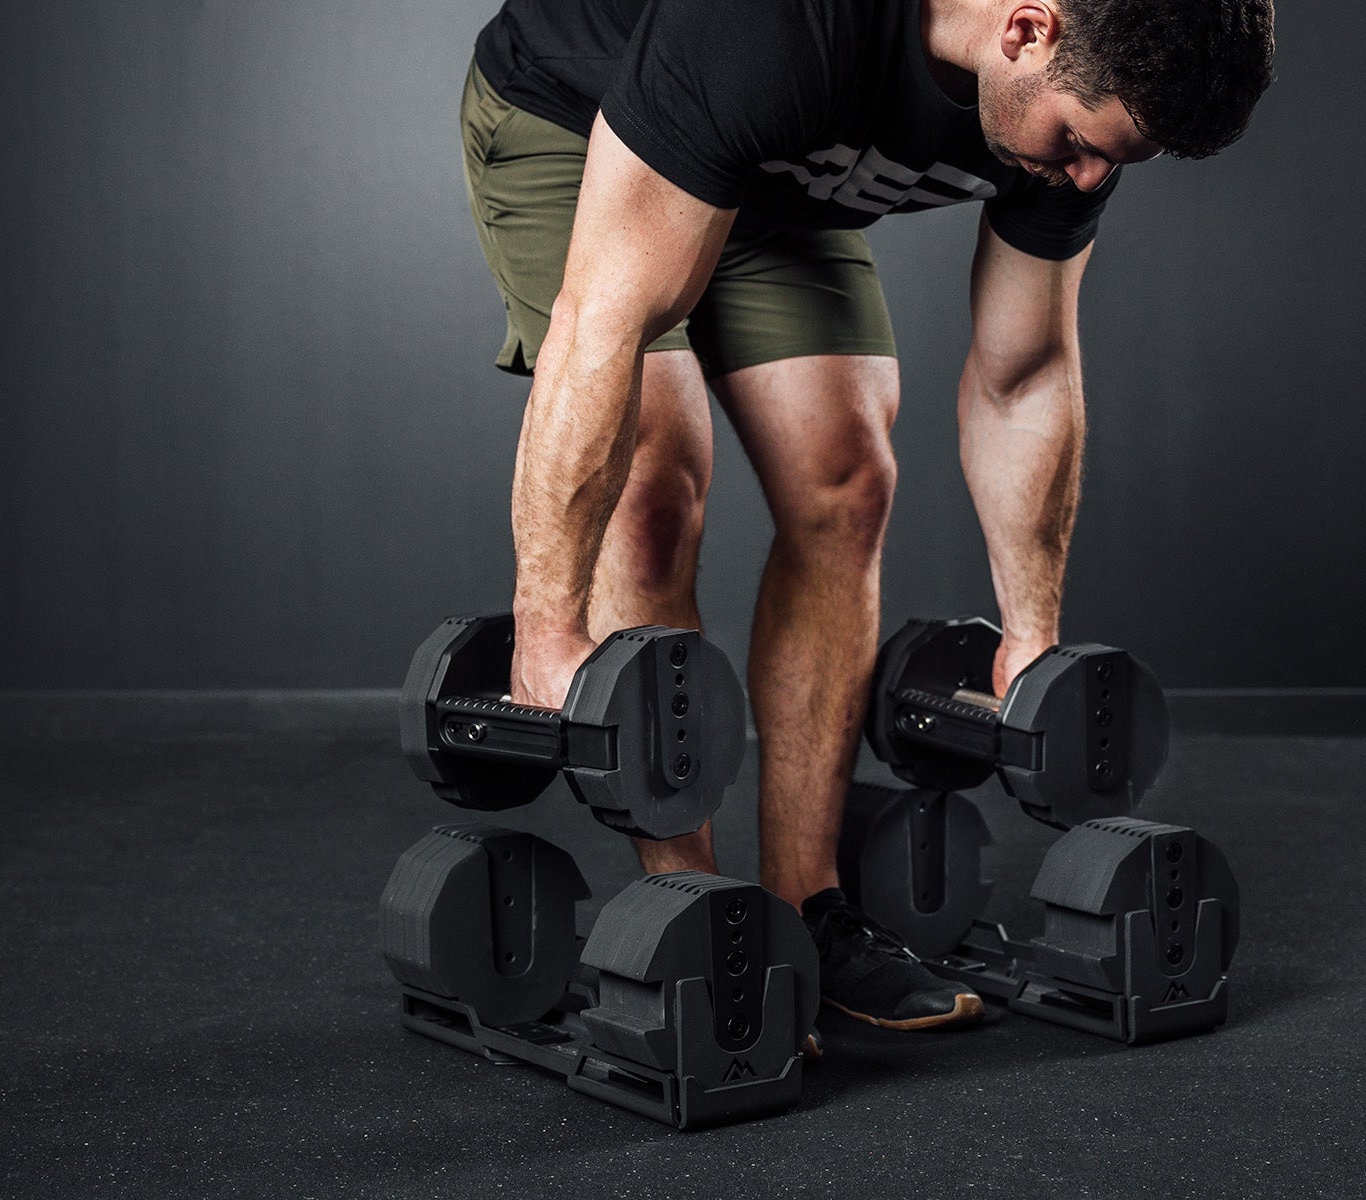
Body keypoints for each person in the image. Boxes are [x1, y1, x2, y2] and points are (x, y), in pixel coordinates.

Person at [461, 0, 1273, 1032]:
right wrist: (546, 624)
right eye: (1075, 144)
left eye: (1113, 161)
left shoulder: (1080, 101)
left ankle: (814, 912)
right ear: (1027, 28)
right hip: (575, 116)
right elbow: (602, 323)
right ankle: (692, 920)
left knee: (847, 477)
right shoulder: (775, 27)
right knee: (656, 484)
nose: (1085, 179)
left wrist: (1030, 637)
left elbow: (1021, 374)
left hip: (774, 168)